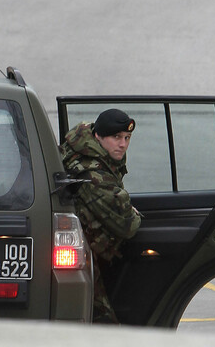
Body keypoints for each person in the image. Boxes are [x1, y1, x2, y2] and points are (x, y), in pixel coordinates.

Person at [59, 108, 142, 324]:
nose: (123, 144)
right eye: (116, 137)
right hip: (82, 258)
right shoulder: (94, 176)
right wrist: (133, 214)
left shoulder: (84, 149)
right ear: (98, 136)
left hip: (84, 253)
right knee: (104, 329)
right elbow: (127, 226)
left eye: (127, 138)